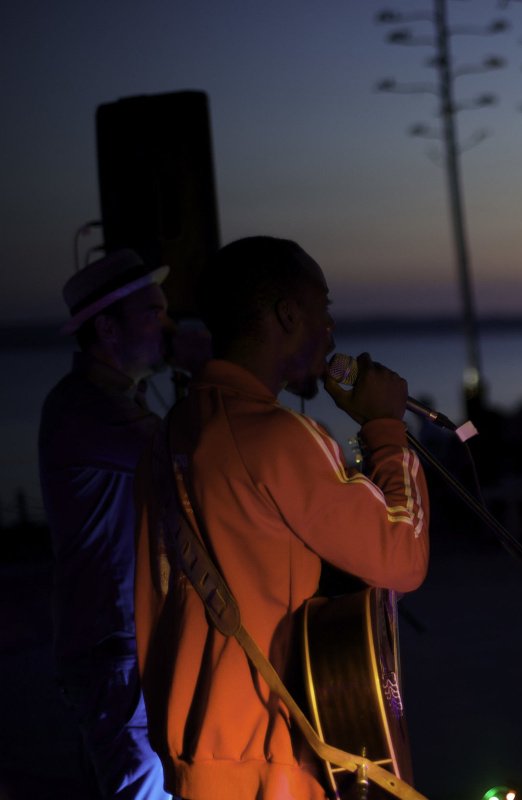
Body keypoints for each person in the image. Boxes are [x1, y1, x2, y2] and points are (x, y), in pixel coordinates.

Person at [133, 235, 431, 799]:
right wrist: (386, 430)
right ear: (288, 314)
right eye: (325, 310)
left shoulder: (167, 435)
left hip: (195, 756)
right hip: (268, 755)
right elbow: (402, 558)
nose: (331, 331)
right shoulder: (280, 437)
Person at [38, 248, 196, 800]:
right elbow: (188, 459)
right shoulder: (85, 407)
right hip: (115, 651)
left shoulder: (110, 400)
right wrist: (210, 370)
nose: (167, 325)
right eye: (152, 312)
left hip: (126, 643)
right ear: (107, 327)